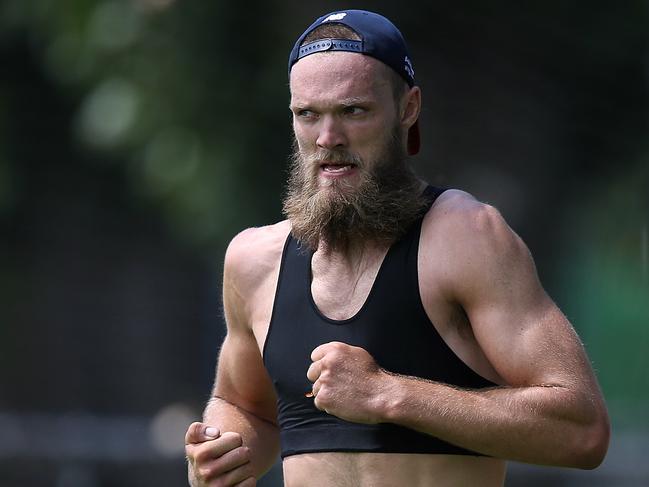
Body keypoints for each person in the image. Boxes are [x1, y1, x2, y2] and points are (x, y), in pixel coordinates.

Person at [184, 9, 610, 487]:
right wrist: (225, 451)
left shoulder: (466, 238)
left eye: (353, 111)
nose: (328, 138)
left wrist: (389, 395)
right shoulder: (253, 261)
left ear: (407, 108)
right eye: (308, 115)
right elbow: (246, 407)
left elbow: (581, 430)